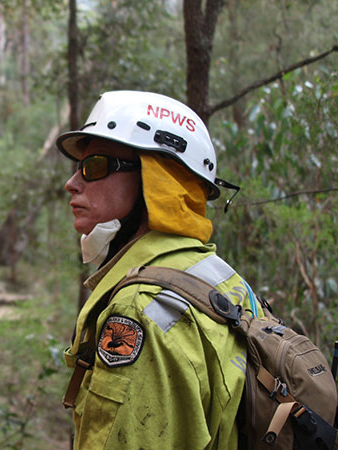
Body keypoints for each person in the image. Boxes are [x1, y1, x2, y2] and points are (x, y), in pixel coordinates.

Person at [57, 90, 257, 449]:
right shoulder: (219, 276)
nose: (72, 183)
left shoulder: (140, 310)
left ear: (156, 180)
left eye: (95, 166)